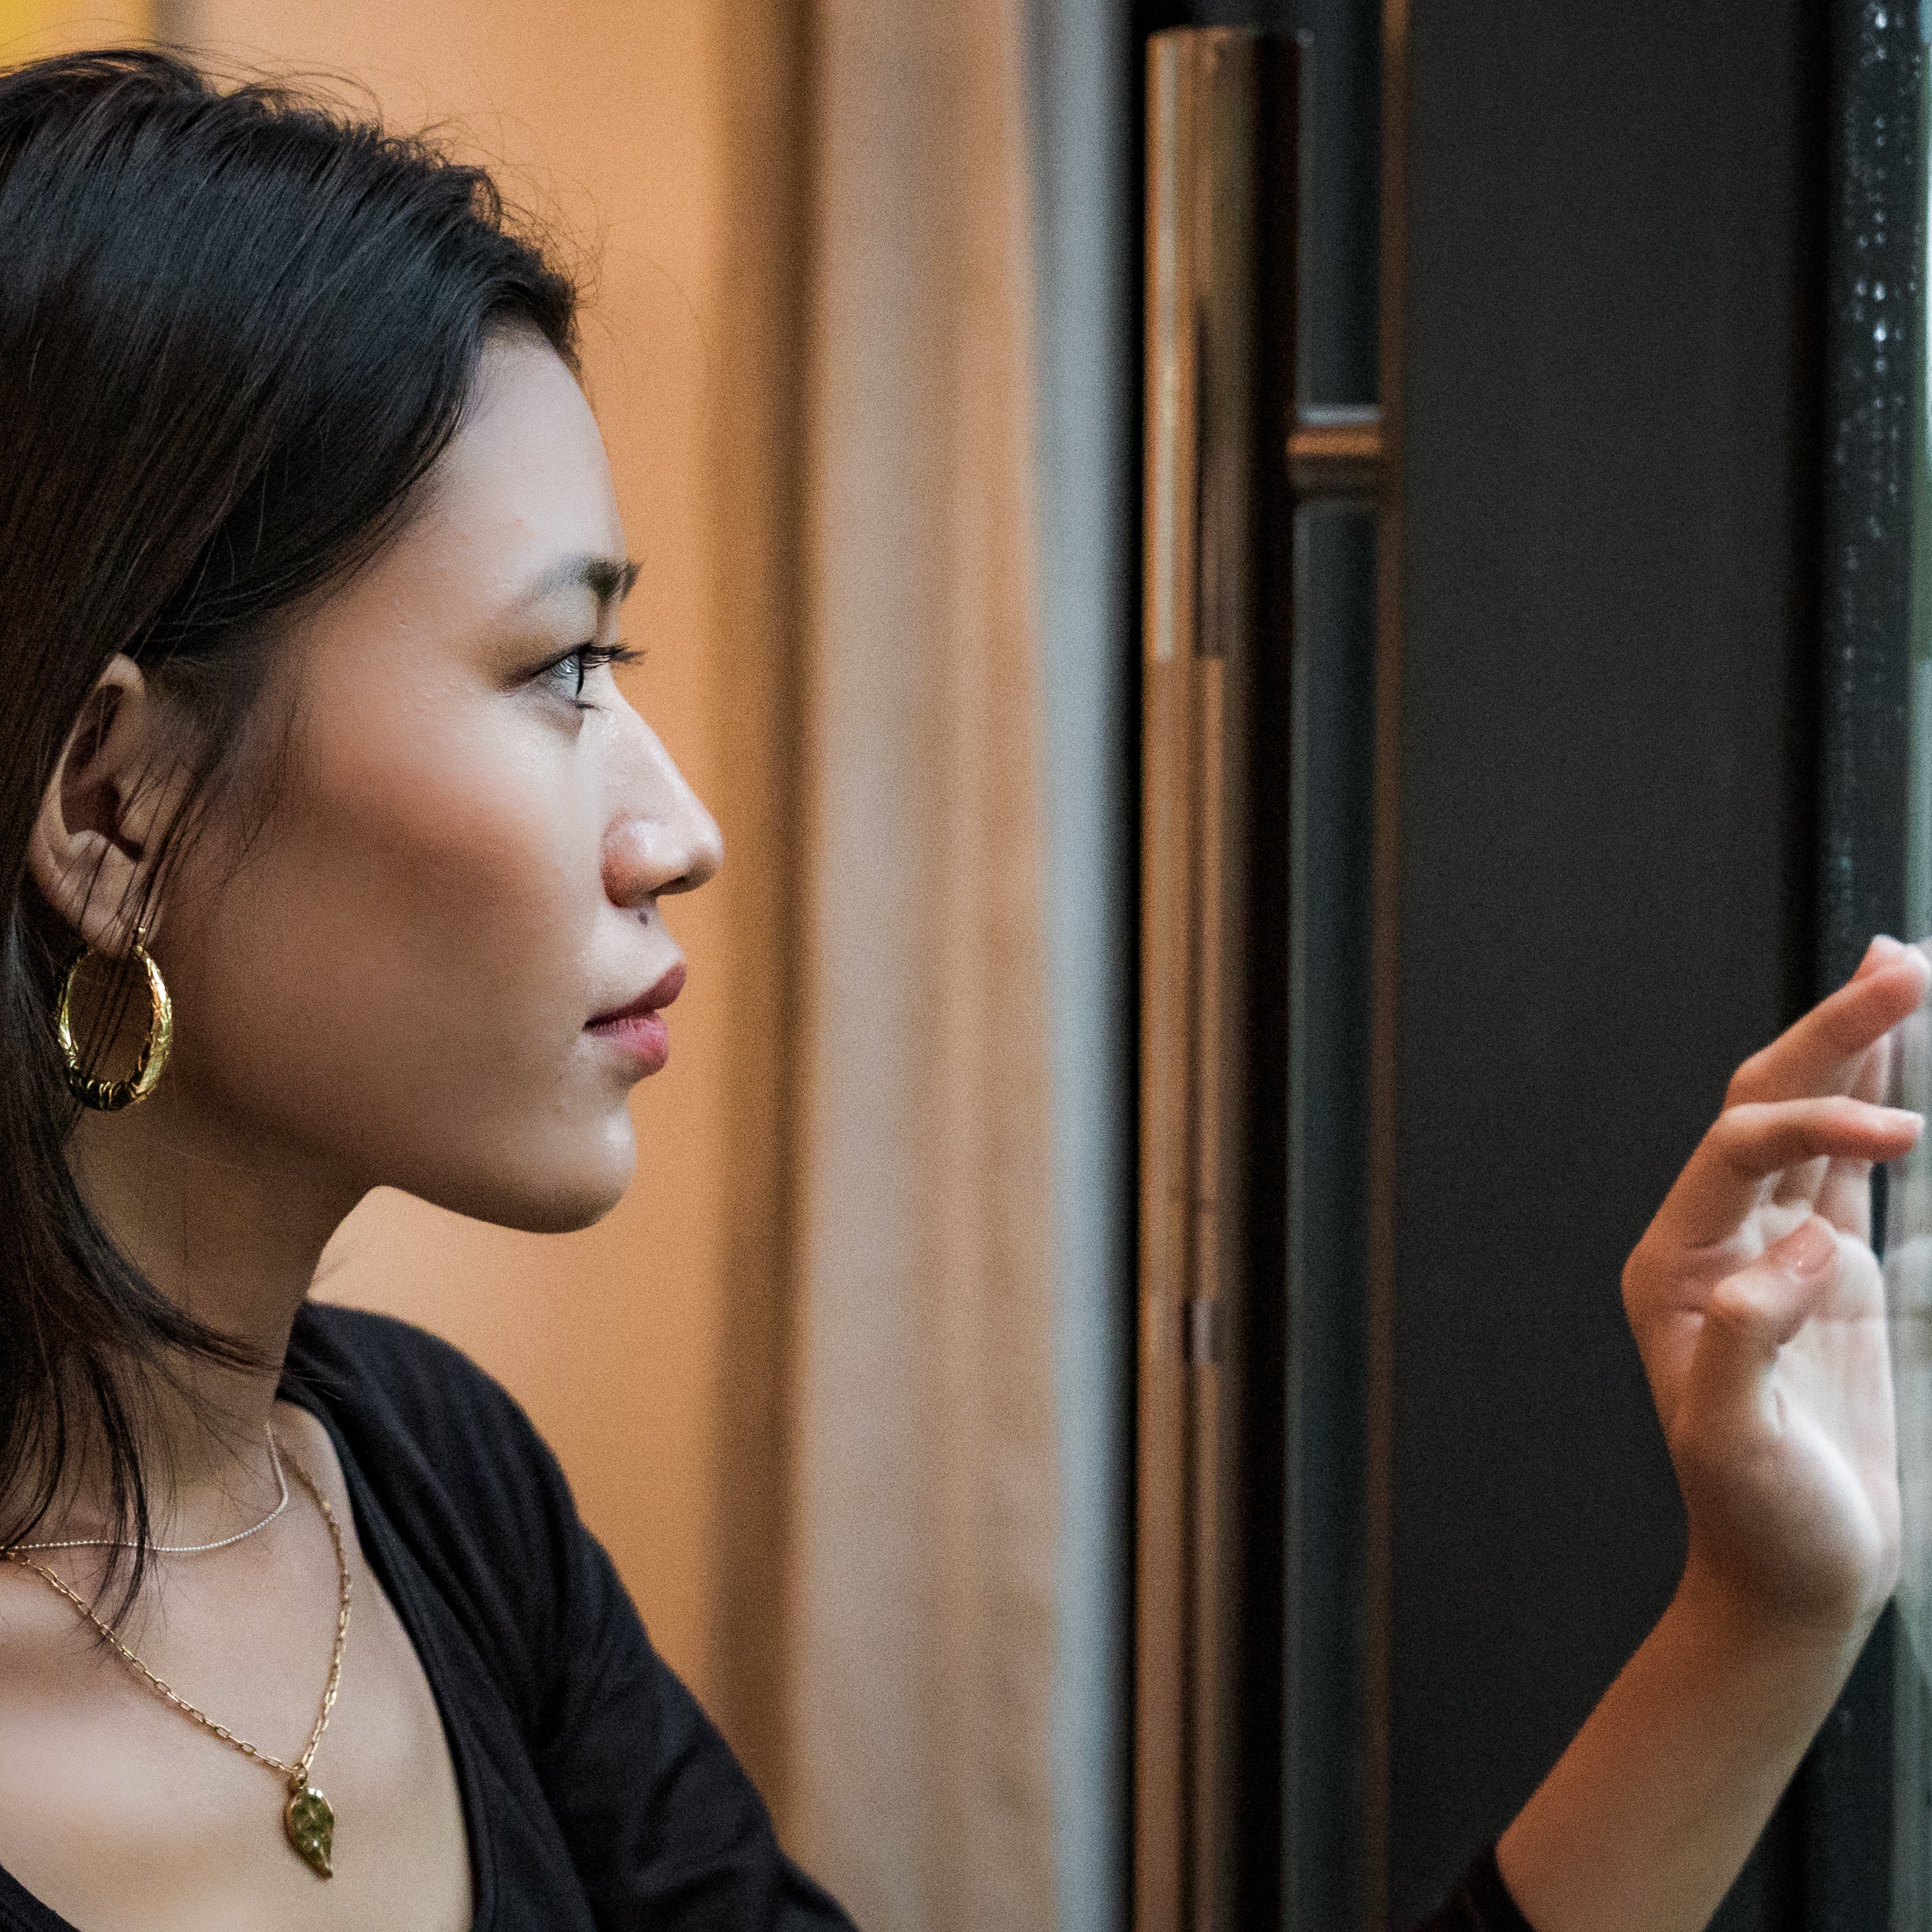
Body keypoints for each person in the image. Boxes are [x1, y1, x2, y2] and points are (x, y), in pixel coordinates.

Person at [0, 46, 1914, 1932]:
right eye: (561, 671)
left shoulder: (435, 1495)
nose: (680, 830)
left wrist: (1763, 1613)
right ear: (113, 808)